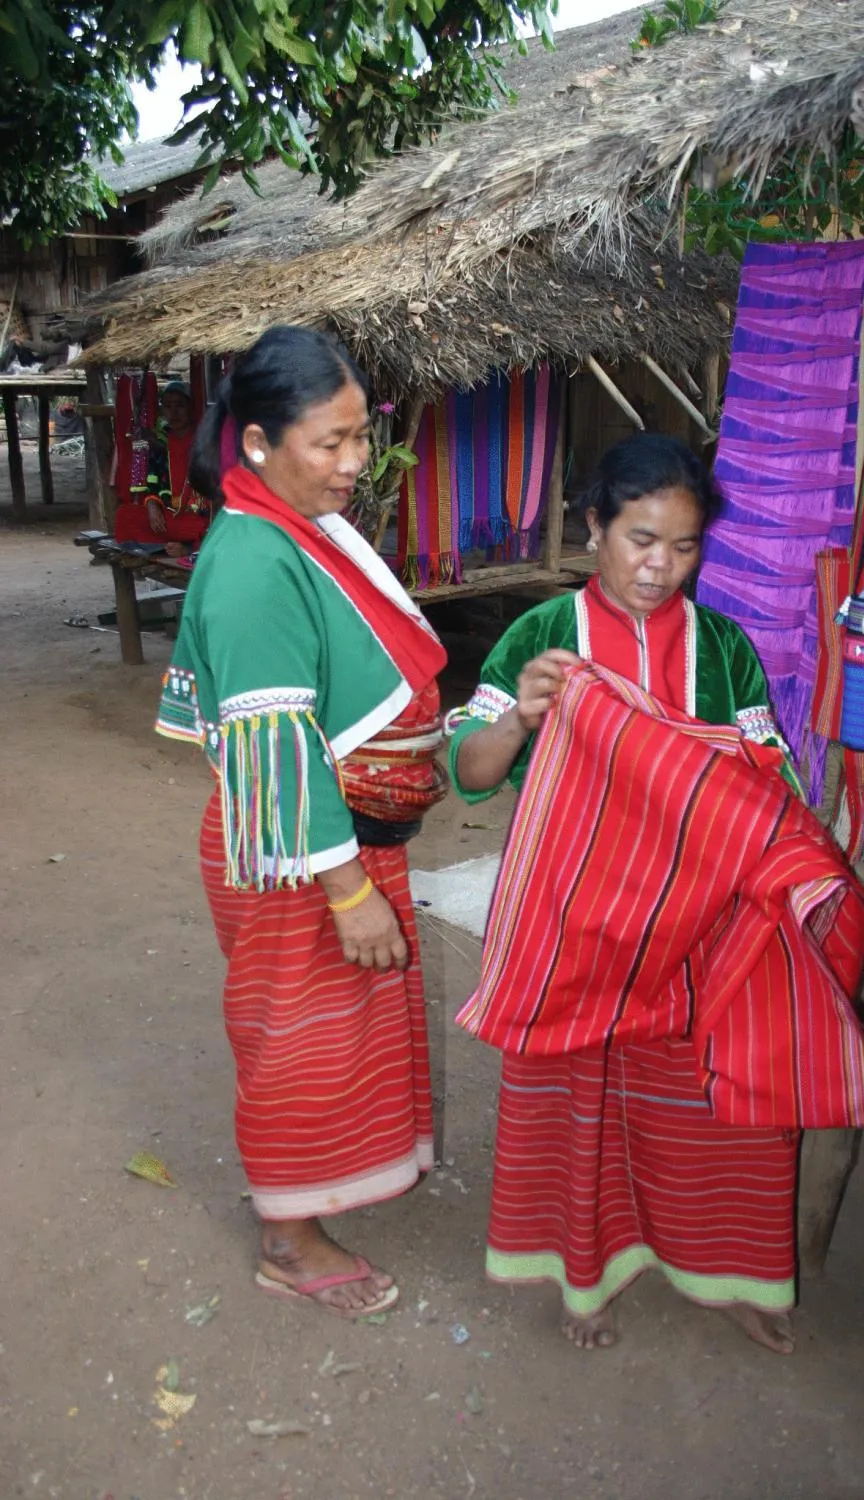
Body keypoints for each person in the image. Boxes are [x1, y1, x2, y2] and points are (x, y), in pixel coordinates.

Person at [448, 434, 852, 1356]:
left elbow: (769, 786)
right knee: (577, 1103)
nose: (660, 567)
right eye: (640, 539)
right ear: (595, 526)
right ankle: (581, 1278)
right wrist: (520, 714)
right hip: (575, 918)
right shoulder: (541, 639)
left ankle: (738, 1274)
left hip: (698, 921)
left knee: (722, 1104)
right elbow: (467, 773)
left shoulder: (722, 647)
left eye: (684, 545)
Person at [156, 327, 448, 1316]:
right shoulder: (251, 561)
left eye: (362, 435)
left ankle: (317, 1197)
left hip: (328, 846)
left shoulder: (284, 524)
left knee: (334, 1035)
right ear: (254, 444)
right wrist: (349, 889)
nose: (356, 461)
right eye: (331, 441)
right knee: (298, 1042)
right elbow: (270, 741)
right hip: (302, 860)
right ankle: (289, 1243)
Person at [114, 380, 212, 555]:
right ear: (162, 411)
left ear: (191, 408)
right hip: (169, 516)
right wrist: (152, 506)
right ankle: (171, 546)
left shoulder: (203, 441)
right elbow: (152, 480)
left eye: (180, 406)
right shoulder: (161, 443)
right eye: (168, 406)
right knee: (125, 515)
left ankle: (187, 548)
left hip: (196, 515)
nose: (174, 413)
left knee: (204, 527)